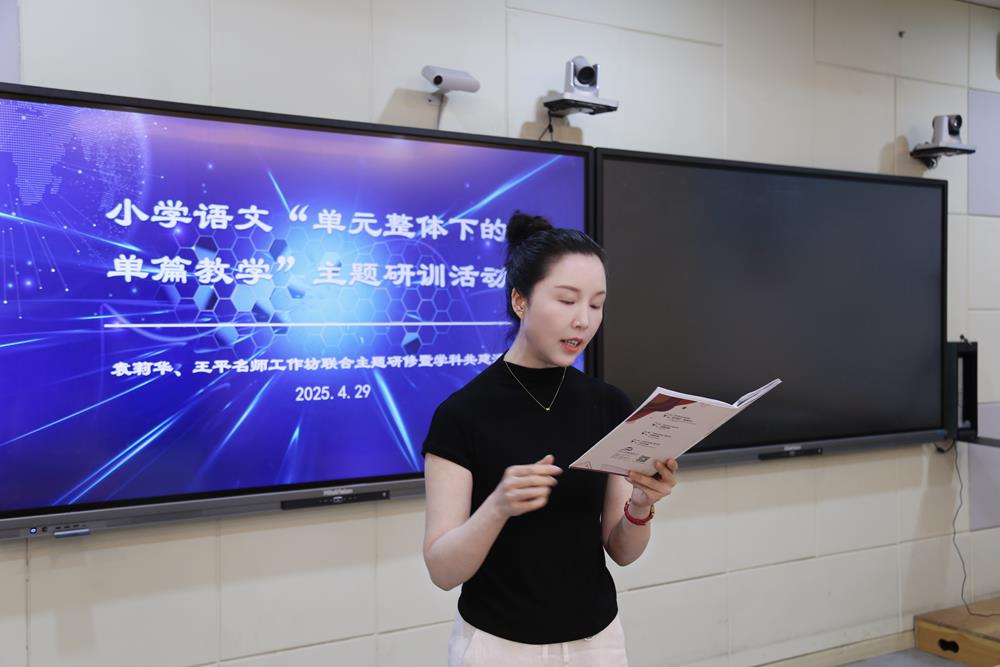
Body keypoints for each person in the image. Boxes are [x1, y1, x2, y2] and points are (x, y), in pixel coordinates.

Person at [421, 212, 679, 666]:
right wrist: (498, 507)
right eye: (566, 300)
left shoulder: (609, 405)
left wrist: (640, 506)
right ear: (520, 300)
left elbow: (622, 552)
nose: (583, 321)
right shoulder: (460, 415)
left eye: (596, 305)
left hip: (596, 643)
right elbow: (442, 571)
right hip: (497, 646)